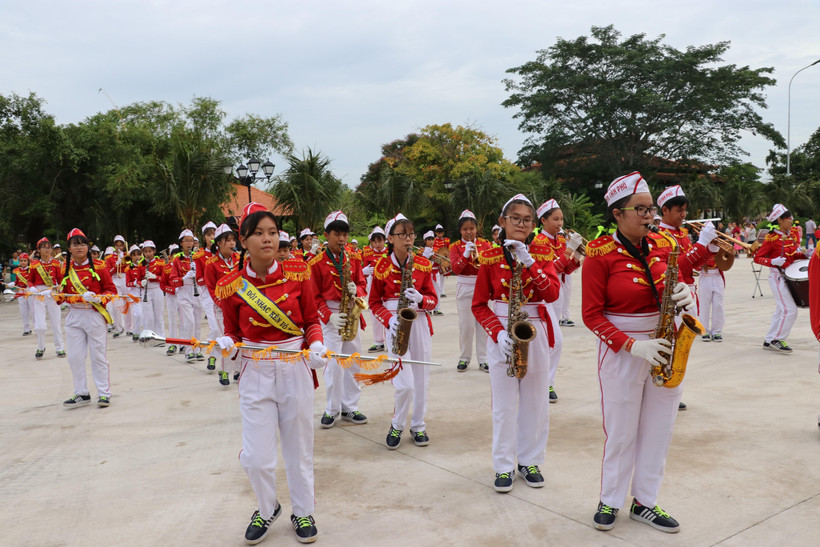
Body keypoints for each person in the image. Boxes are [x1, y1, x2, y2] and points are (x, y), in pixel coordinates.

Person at [583, 172, 697, 533]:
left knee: (658, 429)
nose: (650, 216)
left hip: (664, 344)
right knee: (621, 431)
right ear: (617, 214)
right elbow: (590, 315)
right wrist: (633, 345)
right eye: (641, 209)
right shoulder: (598, 254)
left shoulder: (664, 243)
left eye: (651, 209)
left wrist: (684, 298)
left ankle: (645, 501)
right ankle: (610, 499)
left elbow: (672, 283)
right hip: (623, 350)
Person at [215, 202, 327, 544]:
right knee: (257, 457)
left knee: (298, 448)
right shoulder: (231, 286)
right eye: (259, 233)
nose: (268, 239)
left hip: (294, 366)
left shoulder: (297, 272)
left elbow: (310, 320)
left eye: (273, 233)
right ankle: (267, 508)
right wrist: (226, 344)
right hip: (255, 371)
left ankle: (303, 510)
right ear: (243, 241)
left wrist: (317, 344)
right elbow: (233, 333)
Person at [471, 194, 560, 493]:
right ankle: (503, 465)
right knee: (504, 405)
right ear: (502, 222)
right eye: (515, 218)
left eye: (527, 220)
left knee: (536, 402)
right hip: (502, 330)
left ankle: (529, 461)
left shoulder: (543, 254)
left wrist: (529, 260)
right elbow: (479, 304)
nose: (521, 224)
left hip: (534, 328)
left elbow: (552, 294)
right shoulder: (489, 257)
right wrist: (497, 334)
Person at [369, 214, 438, 450]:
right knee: (404, 383)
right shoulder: (381, 266)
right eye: (402, 234)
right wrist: (389, 321)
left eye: (411, 234)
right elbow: (374, 302)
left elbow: (434, 300)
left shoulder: (423, 264)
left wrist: (421, 300)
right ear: (390, 238)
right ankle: (397, 424)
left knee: (421, 379)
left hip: (418, 323)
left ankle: (418, 425)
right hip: (395, 324)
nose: (408, 239)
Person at [656, 184, 718, 410]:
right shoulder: (659, 235)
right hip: (673, 297)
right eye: (679, 210)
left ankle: (673, 387)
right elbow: (677, 267)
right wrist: (700, 244)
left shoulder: (681, 234)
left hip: (688, 293)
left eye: (684, 210)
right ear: (665, 210)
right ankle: (665, 388)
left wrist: (709, 250)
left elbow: (692, 265)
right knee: (669, 344)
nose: (684, 215)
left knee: (680, 347)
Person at [310, 210, 369, 428]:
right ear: (327, 235)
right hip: (332, 317)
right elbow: (313, 297)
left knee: (353, 362)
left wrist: (358, 290)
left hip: (351, 312)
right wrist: (329, 316)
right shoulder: (316, 262)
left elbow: (362, 284)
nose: (342, 238)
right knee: (334, 365)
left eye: (344, 233)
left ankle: (350, 408)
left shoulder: (353, 258)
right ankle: (331, 409)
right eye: (337, 233)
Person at [57, 229, 117, 408]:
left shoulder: (99, 266)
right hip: (74, 315)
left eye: (82, 244)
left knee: (98, 356)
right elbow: (61, 297)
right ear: (69, 248)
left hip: (94, 314)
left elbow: (111, 290)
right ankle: (81, 393)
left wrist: (99, 297)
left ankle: (104, 393)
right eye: (75, 244)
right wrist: (53, 294)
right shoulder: (64, 269)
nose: (80, 247)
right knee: (74, 357)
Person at [533, 198, 585, 402]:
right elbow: (551, 269)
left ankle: (545, 381)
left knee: (552, 341)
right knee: (554, 341)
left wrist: (577, 255)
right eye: (555, 219)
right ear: (543, 221)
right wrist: (569, 251)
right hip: (546, 294)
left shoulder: (560, 241)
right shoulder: (539, 243)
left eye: (561, 219)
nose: (560, 223)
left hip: (560, 290)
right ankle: (545, 383)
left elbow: (566, 268)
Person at [753, 204, 806, 353]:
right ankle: (778, 339)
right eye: (789, 218)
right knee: (790, 310)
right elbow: (757, 258)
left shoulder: (789, 236)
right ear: (780, 220)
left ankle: (769, 339)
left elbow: (792, 255)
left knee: (780, 310)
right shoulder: (771, 238)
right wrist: (772, 262)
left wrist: (804, 254)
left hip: (788, 276)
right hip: (777, 277)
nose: (791, 221)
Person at [448, 210, 492, 372]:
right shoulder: (455, 247)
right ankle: (464, 358)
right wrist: (466, 254)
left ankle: (484, 358)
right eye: (465, 229)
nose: (469, 232)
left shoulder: (485, 244)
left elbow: (489, 266)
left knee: (483, 325)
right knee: (466, 326)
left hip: (482, 285)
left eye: (471, 228)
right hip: (465, 285)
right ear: (460, 230)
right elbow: (455, 269)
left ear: (476, 229)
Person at [204, 223, 239, 387]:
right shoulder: (211, 264)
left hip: (240, 306)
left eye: (233, 240)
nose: (232, 243)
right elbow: (211, 288)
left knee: (241, 338)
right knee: (227, 339)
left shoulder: (240, 260)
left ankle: (238, 370)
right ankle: (224, 370)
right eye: (227, 240)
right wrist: (222, 303)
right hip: (221, 309)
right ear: (218, 243)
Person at [28, 237, 66, 359]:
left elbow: (60, 281)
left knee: (56, 322)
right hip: (39, 295)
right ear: (38, 250)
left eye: (49, 247)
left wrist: (56, 288)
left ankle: (60, 348)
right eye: (44, 247)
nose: (47, 249)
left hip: (52, 294)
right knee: (40, 325)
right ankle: (40, 347)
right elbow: (30, 281)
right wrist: (33, 288)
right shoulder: (34, 265)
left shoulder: (56, 263)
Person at [170, 230, 203, 363]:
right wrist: (184, 278)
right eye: (187, 241)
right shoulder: (177, 259)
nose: (190, 243)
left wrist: (198, 272)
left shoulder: (198, 257)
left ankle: (198, 349)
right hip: (184, 291)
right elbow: (172, 280)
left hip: (197, 290)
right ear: (181, 243)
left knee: (198, 323)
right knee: (189, 322)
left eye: (191, 241)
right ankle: (189, 351)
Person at [362, 227, 389, 352]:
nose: (377, 244)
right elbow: (360, 272)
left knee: (390, 311)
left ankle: (391, 340)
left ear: (385, 241)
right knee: (375, 313)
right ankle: (378, 341)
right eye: (375, 242)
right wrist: (364, 271)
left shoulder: (390, 252)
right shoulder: (367, 255)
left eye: (380, 241)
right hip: (373, 285)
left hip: (388, 284)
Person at [139, 241, 166, 338]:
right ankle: (149, 336)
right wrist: (141, 283)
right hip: (146, 290)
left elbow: (164, 277)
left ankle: (160, 336)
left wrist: (156, 277)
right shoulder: (141, 264)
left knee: (158, 314)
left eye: (150, 251)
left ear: (154, 251)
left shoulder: (160, 262)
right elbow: (138, 279)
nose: (148, 254)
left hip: (157, 289)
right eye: (145, 252)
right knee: (148, 315)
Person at [105, 235, 130, 337]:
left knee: (128, 304)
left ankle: (130, 328)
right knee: (116, 305)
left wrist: (124, 259)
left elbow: (130, 267)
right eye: (117, 245)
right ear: (114, 246)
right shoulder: (110, 257)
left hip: (126, 278)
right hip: (115, 279)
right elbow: (108, 273)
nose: (119, 247)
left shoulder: (127, 255)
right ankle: (118, 327)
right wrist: (116, 264)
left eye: (121, 245)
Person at [162, 244, 181, 355]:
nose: (176, 256)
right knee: (172, 320)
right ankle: (172, 344)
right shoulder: (167, 267)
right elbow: (163, 284)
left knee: (184, 321)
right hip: (171, 296)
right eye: (174, 254)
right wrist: (173, 290)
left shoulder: (183, 265)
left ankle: (184, 344)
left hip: (183, 295)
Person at [124, 245, 146, 341]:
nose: (137, 257)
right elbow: (127, 283)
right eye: (134, 255)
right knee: (138, 314)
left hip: (145, 292)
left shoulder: (145, 266)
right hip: (135, 293)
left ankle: (145, 332)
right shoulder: (128, 269)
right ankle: (136, 332)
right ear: (131, 256)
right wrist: (135, 283)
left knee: (146, 313)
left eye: (138, 255)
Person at [420, 231, 444, 315]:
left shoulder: (437, 250)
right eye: (428, 240)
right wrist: (425, 256)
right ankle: (429, 308)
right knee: (428, 291)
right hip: (427, 273)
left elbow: (440, 262)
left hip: (436, 273)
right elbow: (421, 262)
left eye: (432, 239)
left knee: (437, 291)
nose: (431, 241)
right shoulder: (421, 251)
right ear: (425, 241)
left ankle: (437, 308)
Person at [12, 253, 34, 336]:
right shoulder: (17, 270)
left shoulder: (31, 270)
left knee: (33, 310)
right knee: (23, 311)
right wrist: (13, 283)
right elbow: (17, 281)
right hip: (21, 291)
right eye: (21, 261)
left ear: (28, 261)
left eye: (25, 261)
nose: (23, 262)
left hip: (29, 290)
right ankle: (26, 329)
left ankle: (37, 327)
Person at [433, 224, 450, 298]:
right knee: (437, 276)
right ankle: (437, 291)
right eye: (438, 232)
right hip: (436, 260)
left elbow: (448, 250)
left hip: (443, 260)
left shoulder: (446, 240)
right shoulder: (433, 240)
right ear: (436, 233)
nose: (440, 234)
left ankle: (442, 291)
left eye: (441, 232)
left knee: (442, 276)